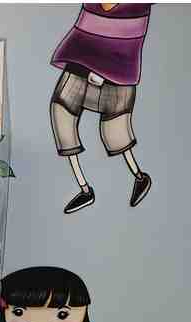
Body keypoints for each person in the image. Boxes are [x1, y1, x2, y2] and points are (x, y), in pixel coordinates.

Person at [50, 3, 153, 214]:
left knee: (115, 133)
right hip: (81, 62)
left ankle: (139, 177)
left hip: (118, 72)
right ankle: (84, 189)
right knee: (61, 114)